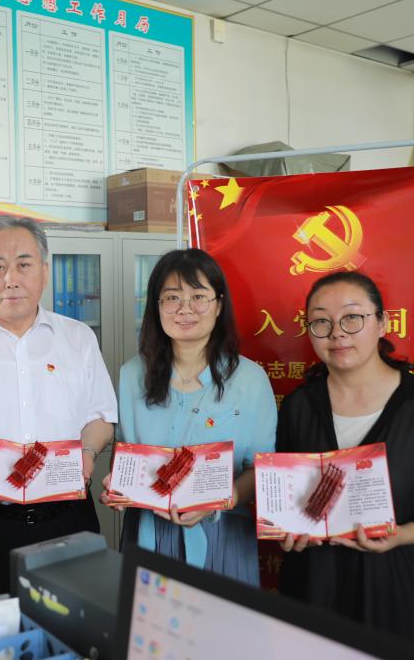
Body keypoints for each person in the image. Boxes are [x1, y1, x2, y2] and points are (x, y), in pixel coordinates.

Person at [276, 271, 414, 652]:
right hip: (314, 588)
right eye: (321, 322)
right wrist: (288, 527)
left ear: (382, 323)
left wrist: (402, 535)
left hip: (399, 590)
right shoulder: (298, 407)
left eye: (352, 318)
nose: (337, 333)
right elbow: (287, 495)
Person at [0, 216, 117, 597]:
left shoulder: (78, 338)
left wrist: (87, 453)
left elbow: (101, 418)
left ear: (44, 272)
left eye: (23, 264)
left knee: (75, 628)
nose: (10, 279)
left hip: (68, 520)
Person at [100, 248, 276, 584]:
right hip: (148, 535)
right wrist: (118, 486)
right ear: (157, 306)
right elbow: (124, 454)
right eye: (172, 297)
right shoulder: (132, 374)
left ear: (219, 305)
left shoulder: (251, 380)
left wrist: (219, 500)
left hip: (222, 534)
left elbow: (260, 470)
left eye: (198, 296)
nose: (184, 309)